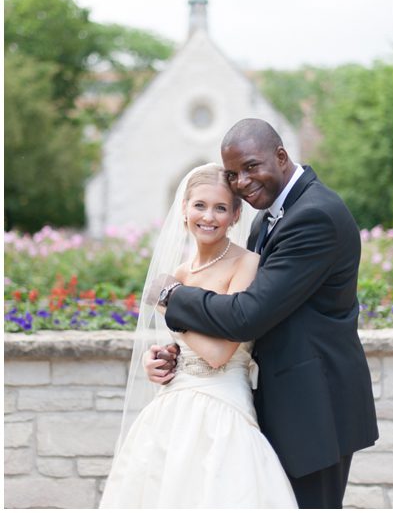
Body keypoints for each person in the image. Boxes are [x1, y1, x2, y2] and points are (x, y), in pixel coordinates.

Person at [150, 119, 379, 509]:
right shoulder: (266, 221)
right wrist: (180, 352)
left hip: (315, 407)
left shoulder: (315, 215)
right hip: (276, 402)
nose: (241, 182)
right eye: (233, 174)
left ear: (281, 156)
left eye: (251, 167)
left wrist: (172, 296)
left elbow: (247, 315)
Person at [100, 163, 297, 508]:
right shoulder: (178, 274)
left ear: (236, 215)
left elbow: (219, 353)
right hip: (173, 404)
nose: (209, 216)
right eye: (200, 206)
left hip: (224, 402)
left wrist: (168, 307)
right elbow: (183, 345)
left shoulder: (246, 265)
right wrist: (158, 359)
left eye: (221, 207)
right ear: (184, 210)